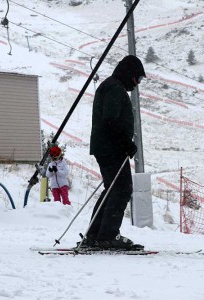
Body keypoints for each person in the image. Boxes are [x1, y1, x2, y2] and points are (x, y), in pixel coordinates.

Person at [82, 55, 145, 250]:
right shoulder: (115, 88)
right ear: (129, 74)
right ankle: (107, 236)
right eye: (137, 79)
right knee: (121, 189)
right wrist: (126, 143)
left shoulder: (111, 86)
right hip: (112, 148)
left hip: (108, 147)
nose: (136, 84)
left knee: (112, 189)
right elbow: (110, 121)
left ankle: (95, 235)